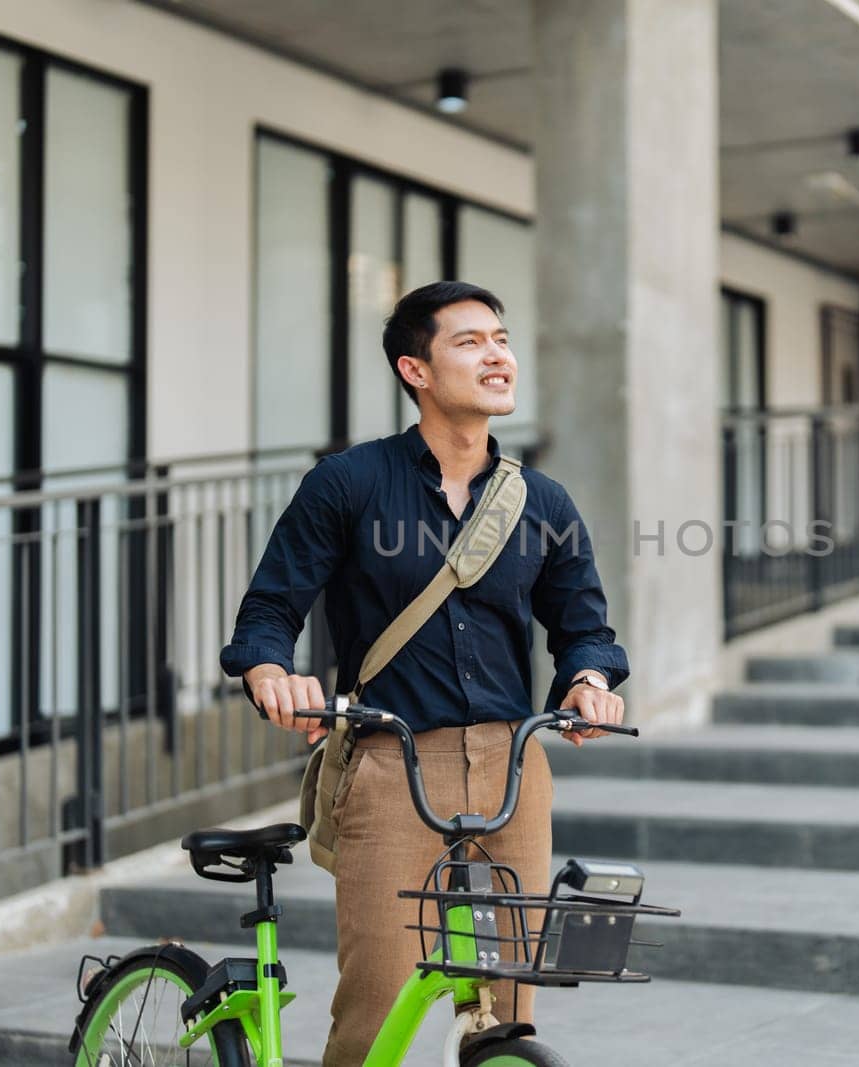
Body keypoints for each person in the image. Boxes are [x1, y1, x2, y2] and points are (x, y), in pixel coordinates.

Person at [220, 280, 629, 1065]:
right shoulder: (347, 483)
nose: (497, 355)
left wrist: (589, 682)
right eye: (470, 341)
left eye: (501, 339)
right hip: (392, 763)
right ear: (416, 369)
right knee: (378, 1001)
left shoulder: (542, 500)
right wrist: (272, 674)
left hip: (514, 764)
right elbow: (269, 611)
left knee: (508, 1003)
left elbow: (586, 628)